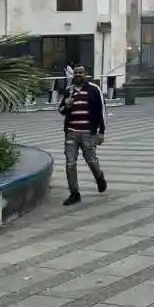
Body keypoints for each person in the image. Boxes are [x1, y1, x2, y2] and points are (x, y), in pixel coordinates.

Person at [58, 65, 107, 206]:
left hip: (88, 133)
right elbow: (61, 110)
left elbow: (102, 111)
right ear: (73, 75)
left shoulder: (93, 89)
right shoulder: (69, 91)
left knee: (91, 160)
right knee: (70, 163)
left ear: (85, 74)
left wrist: (101, 132)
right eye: (76, 73)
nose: (78, 75)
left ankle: (99, 177)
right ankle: (74, 193)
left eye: (80, 72)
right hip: (71, 133)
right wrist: (66, 105)